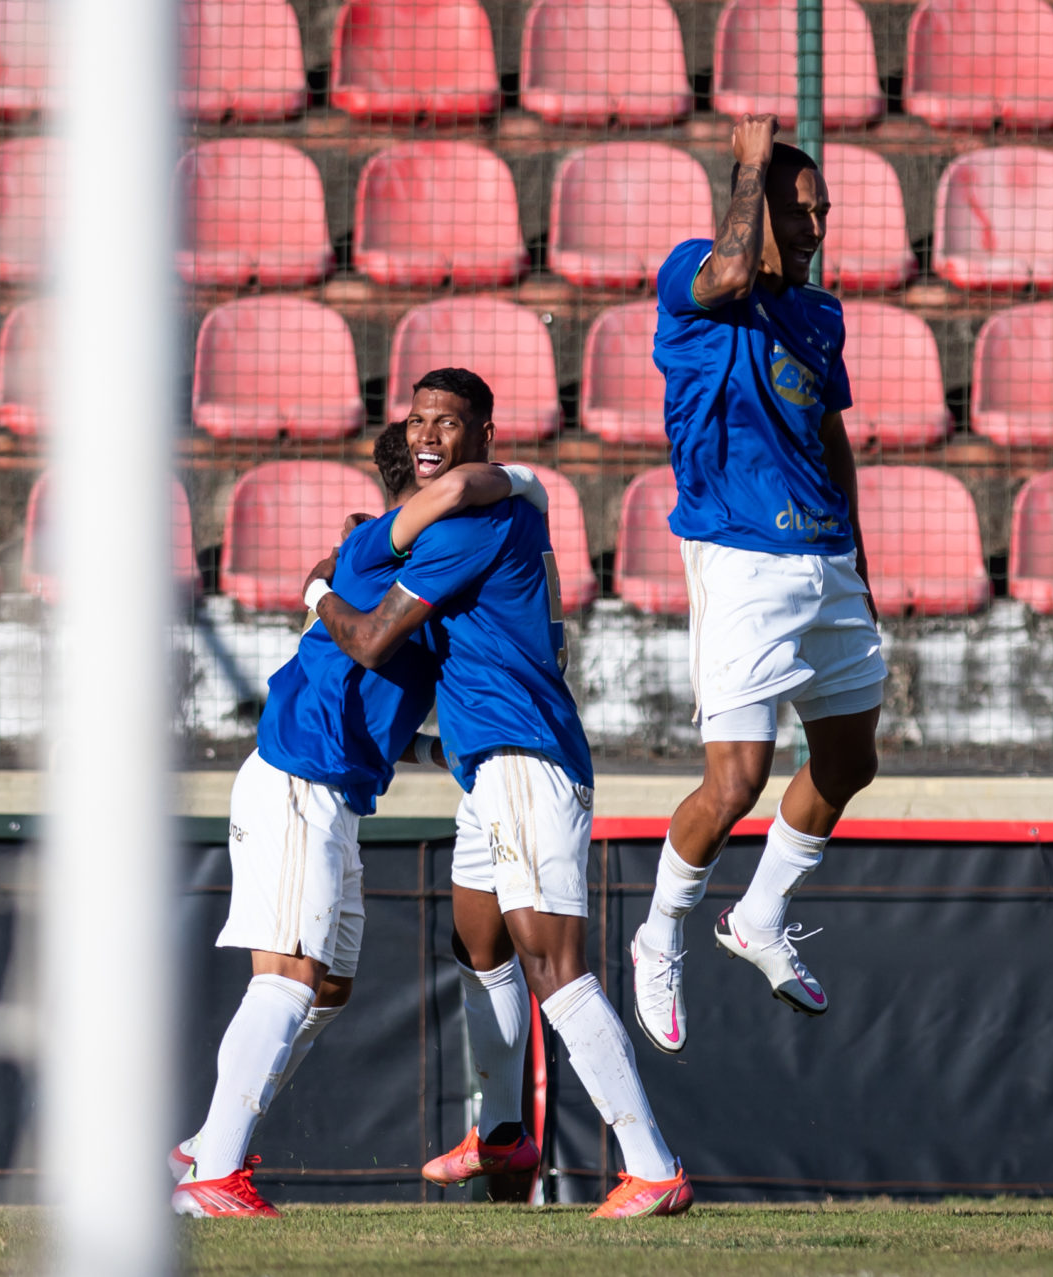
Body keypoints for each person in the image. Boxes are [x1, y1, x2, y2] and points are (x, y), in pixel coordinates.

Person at [309, 367, 693, 1219]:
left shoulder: (476, 524)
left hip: (527, 758)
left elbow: (373, 639)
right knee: (477, 943)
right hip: (487, 769)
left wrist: (318, 588)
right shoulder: (493, 508)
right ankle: (506, 1130)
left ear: (484, 433)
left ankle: (654, 1166)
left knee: (555, 967)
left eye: (449, 420)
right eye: (418, 420)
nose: (429, 433)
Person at [170, 421, 546, 1218]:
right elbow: (376, 614)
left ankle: (209, 1139)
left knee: (329, 987)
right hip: (298, 780)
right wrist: (520, 480)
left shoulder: (421, 572)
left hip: (331, 790)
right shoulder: (381, 549)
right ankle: (212, 1175)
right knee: (290, 978)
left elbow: (387, 704)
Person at [629, 116, 886, 1055]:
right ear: (758, 205)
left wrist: (859, 555)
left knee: (850, 762)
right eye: (802, 207)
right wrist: (748, 164)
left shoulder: (821, 317)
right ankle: (659, 935)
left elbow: (830, 438)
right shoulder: (694, 277)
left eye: (825, 210)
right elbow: (735, 272)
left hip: (827, 557)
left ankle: (759, 916)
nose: (819, 225)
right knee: (735, 779)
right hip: (741, 557)